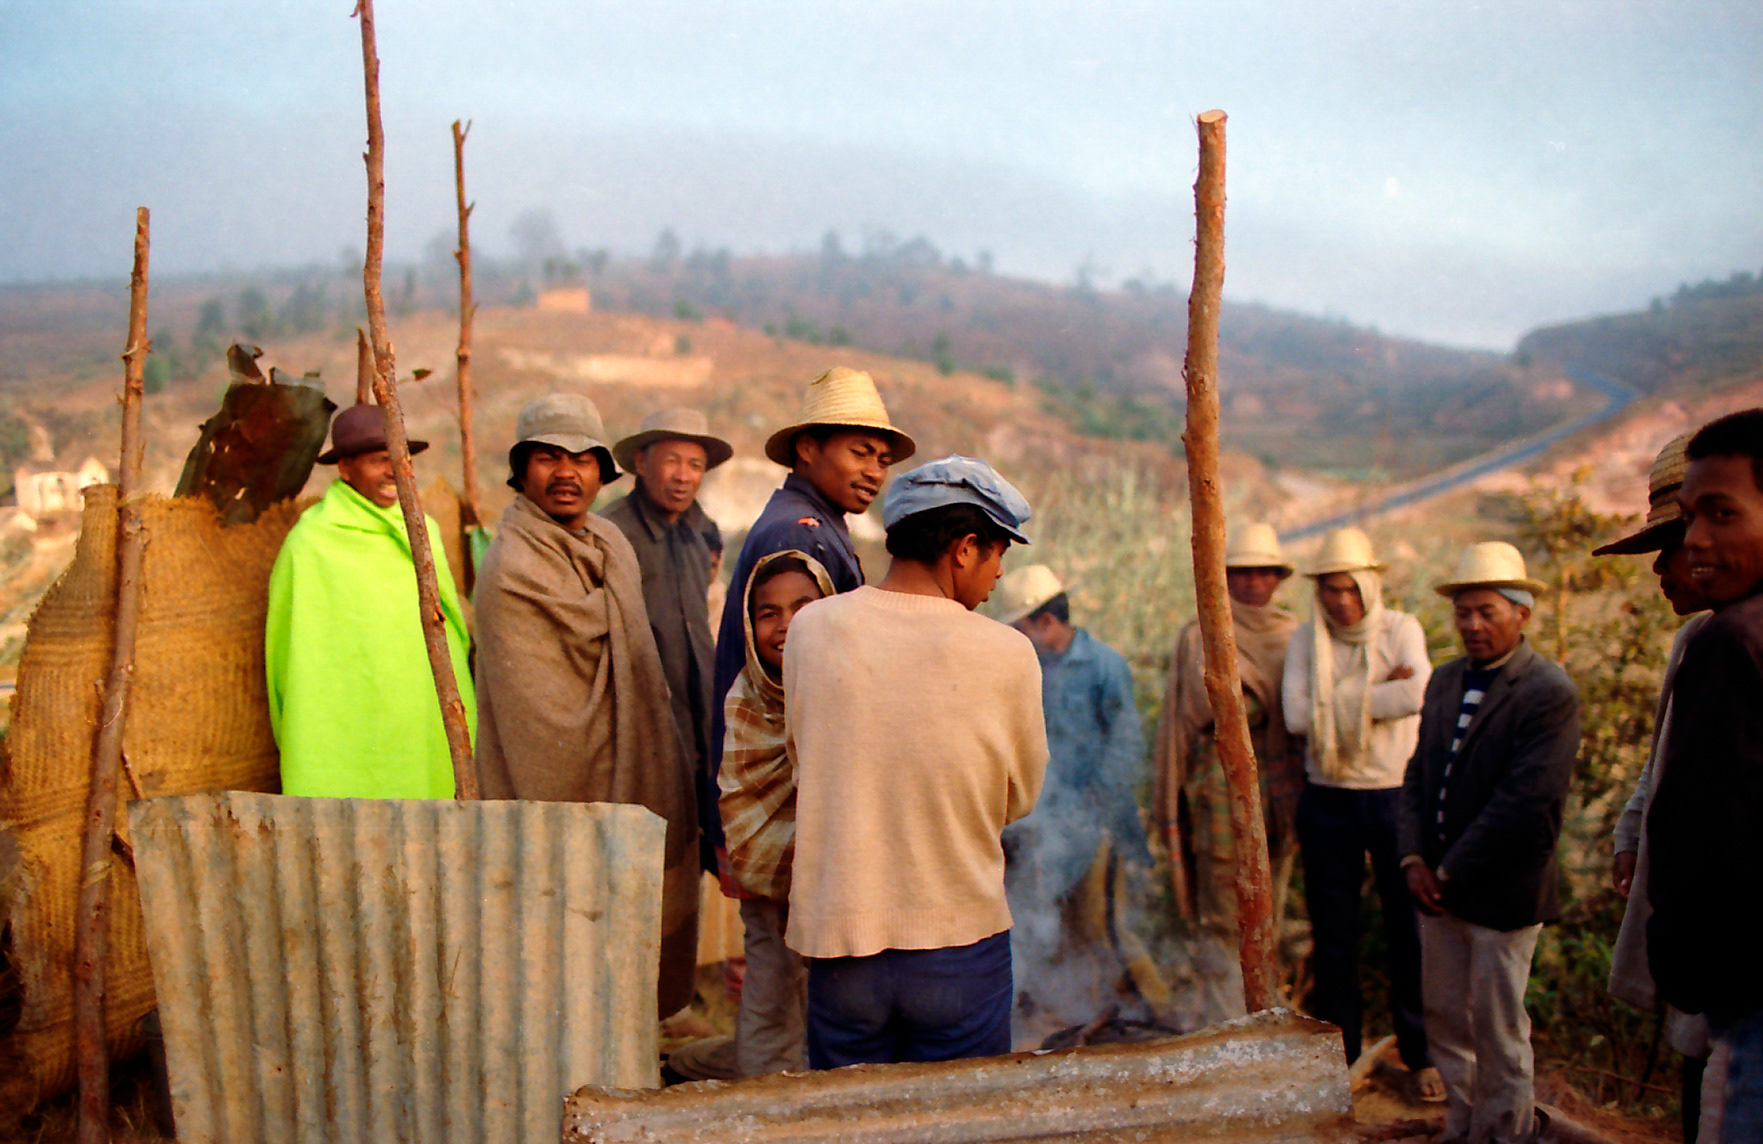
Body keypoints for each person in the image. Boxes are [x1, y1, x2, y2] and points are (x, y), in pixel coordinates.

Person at [785, 456, 1047, 1067]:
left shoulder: (812, 630)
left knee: (850, 1129)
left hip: (841, 942)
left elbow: (806, 759)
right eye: (997, 554)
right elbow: (1018, 798)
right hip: (958, 944)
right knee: (964, 1125)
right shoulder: (1008, 653)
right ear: (964, 548)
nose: (999, 574)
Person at [472, 393, 699, 1020]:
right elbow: (541, 719)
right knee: (569, 964)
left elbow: (640, 666)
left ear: (603, 472)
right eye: (548, 457)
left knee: (625, 979)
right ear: (521, 471)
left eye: (582, 459)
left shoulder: (609, 543)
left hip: (638, 770)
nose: (566, 472)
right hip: (565, 794)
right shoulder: (511, 566)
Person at [1400, 541, 1579, 1144]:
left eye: (1488, 612)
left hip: (1503, 893)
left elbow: (1524, 804)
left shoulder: (1547, 690)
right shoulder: (1446, 680)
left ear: (1521, 614)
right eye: (1464, 613)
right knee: (1447, 1018)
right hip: (1438, 889)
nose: (1473, 625)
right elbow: (1418, 775)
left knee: (1500, 1027)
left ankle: (1504, 1132)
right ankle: (1463, 1124)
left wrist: (1446, 873)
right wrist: (1414, 858)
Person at [1281, 527, 1437, 1096]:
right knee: (1334, 933)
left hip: (1395, 796)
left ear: (1369, 586)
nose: (1340, 601)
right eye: (1329, 590)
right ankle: (1339, 1058)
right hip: (1328, 797)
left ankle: (1421, 1055)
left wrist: (1340, 698)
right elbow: (1297, 716)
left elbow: (1417, 694)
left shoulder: (1402, 630)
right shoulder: (1308, 638)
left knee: (1408, 931)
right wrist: (1378, 690)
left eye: (1349, 588)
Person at [1648, 409, 1763, 1143]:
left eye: (1721, 514)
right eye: (1691, 517)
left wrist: (1683, 967)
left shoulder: (1731, 642)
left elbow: (1705, 832)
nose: (1693, 540)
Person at [1596, 434, 1714, 1142]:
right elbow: (1662, 752)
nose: (1660, 570)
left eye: (1666, 550)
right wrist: (1632, 829)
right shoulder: (1693, 644)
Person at [266, 401, 474, 798]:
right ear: (345, 469)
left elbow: (452, 630)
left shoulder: (422, 530)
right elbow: (285, 656)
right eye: (380, 460)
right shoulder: (313, 543)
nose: (393, 470)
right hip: (347, 723)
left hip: (420, 716)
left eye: (400, 458)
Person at [992, 564, 1166, 1029]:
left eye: (1020, 629)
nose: (1017, 639)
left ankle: (1160, 1018)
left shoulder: (1103, 665)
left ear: (1045, 621)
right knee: (1055, 926)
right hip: (1044, 828)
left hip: (1097, 826)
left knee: (1103, 928)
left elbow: (1127, 744)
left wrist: (1091, 805)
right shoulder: (1028, 669)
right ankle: (1088, 1016)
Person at [1153, 521, 1303, 1021]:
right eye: (1241, 573)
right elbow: (1189, 714)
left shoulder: (1292, 638)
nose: (1252, 584)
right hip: (1217, 789)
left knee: (1270, 906)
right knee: (1222, 908)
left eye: (1262, 574)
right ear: (1225, 578)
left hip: (1276, 793)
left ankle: (1264, 1008)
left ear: (1277, 580)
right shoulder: (1202, 635)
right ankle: (1226, 1018)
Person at [712, 549, 835, 1076]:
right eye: (769, 613)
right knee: (769, 1004)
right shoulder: (746, 697)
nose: (786, 626)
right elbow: (742, 802)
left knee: (827, 1013)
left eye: (802, 608)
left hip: (839, 888)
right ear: (750, 622)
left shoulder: (848, 689)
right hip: (768, 891)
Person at [604, 408, 733, 869]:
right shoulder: (612, 533)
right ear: (641, 463)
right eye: (671, 461)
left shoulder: (699, 534)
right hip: (642, 739)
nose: (683, 477)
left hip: (699, 736)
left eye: (695, 465)